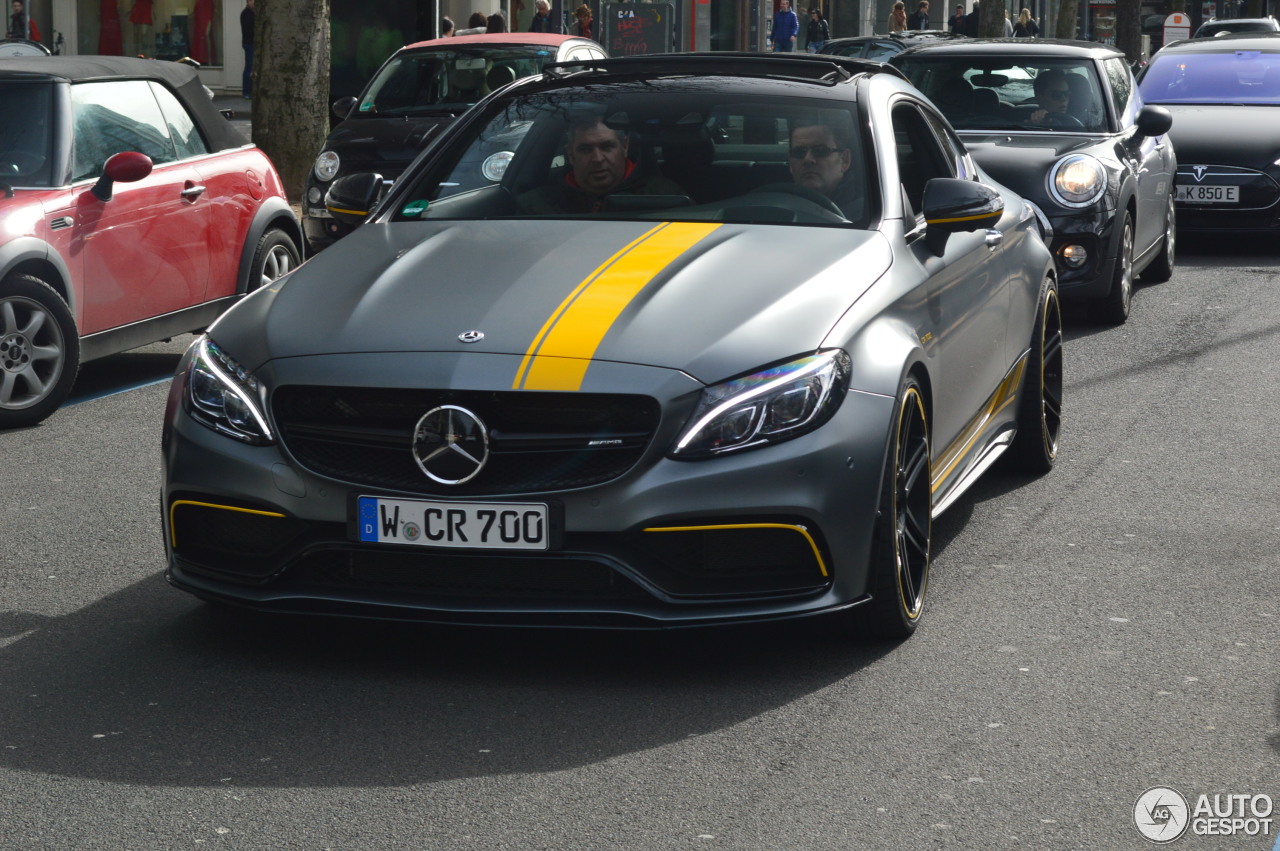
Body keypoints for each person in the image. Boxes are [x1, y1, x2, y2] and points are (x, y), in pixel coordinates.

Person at [517, 117, 687, 214]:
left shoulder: (666, 197)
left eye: (607, 147)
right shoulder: (535, 205)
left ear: (625, 146)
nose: (597, 159)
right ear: (570, 154)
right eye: (585, 149)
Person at [787, 120, 860, 218]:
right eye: (799, 152)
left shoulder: (866, 211)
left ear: (844, 160)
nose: (808, 159)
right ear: (790, 164)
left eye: (820, 151)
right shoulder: (776, 204)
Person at [240, 0, 254, 100]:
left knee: (250, 67)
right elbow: (248, 29)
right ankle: (246, 91)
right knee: (249, 67)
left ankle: (249, 91)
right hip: (249, 43)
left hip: (250, 43)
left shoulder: (250, 12)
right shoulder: (246, 13)